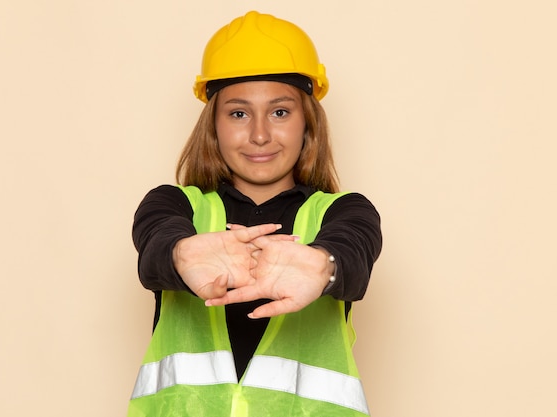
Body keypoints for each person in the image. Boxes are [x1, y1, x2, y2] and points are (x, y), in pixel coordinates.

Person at [127, 10, 382, 417]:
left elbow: (353, 248)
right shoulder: (175, 205)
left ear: (308, 125)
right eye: (238, 113)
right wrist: (179, 254)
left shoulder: (344, 212)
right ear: (213, 125)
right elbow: (156, 238)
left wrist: (324, 265)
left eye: (280, 112)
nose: (260, 134)